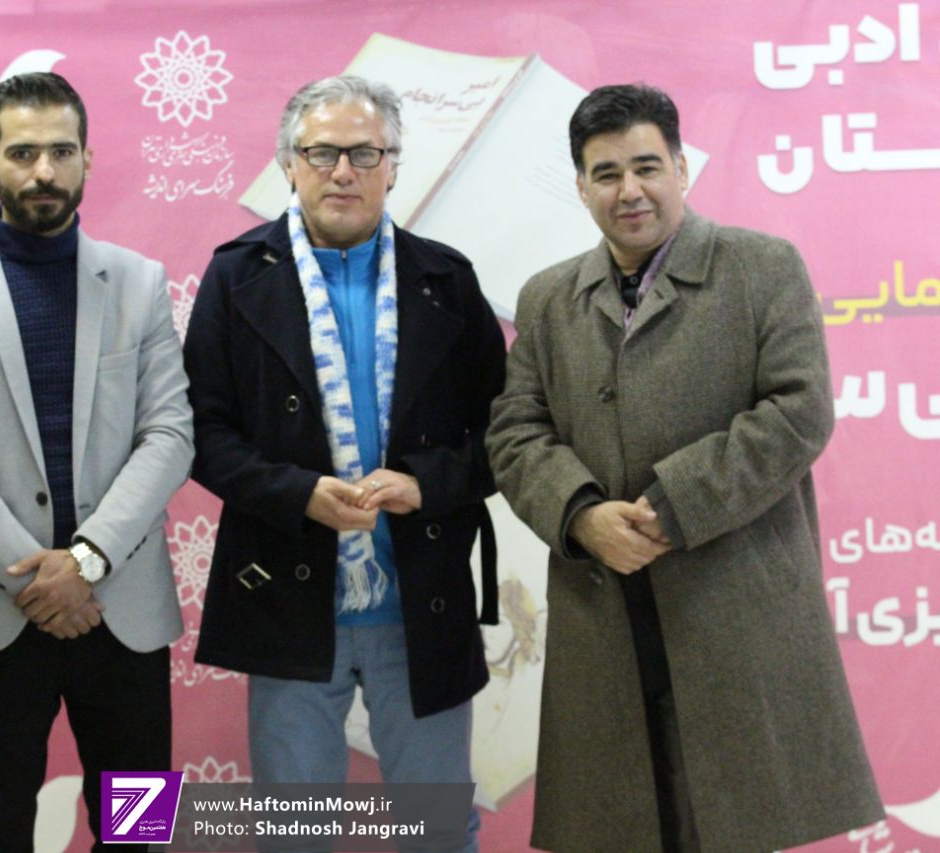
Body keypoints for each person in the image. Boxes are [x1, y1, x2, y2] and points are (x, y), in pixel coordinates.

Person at [485, 83, 883, 852]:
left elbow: (799, 410)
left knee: (731, 825)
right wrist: (581, 514)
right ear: (581, 187)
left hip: (730, 602)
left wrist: (672, 505)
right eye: (606, 173)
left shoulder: (761, 267)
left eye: (646, 166)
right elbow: (515, 431)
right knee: (624, 828)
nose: (629, 190)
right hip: (606, 607)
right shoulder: (548, 298)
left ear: (681, 169)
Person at [183, 75, 505, 851]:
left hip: (419, 600)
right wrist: (298, 493)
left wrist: (426, 484)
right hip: (290, 597)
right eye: (321, 152)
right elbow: (200, 430)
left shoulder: (447, 279)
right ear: (288, 164)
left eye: (365, 153)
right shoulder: (235, 276)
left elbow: (508, 434)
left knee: (435, 834)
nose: (342, 171)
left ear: (393, 166)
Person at [0, 71, 192, 852]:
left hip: (120, 607)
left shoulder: (140, 282)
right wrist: (41, 582)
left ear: (88, 159)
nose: (43, 171)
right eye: (22, 153)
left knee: (140, 834)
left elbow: (170, 434)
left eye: (61, 151)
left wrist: (86, 562)